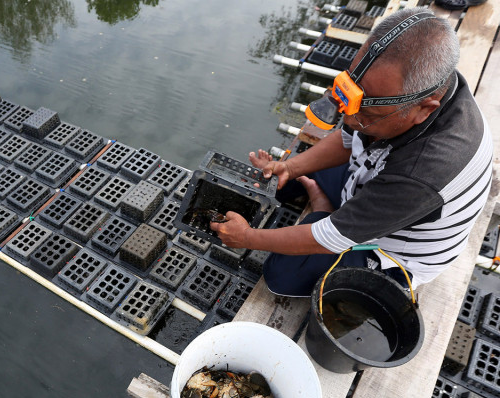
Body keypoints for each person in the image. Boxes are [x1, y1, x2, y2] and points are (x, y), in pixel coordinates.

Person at [210, 7, 493, 297]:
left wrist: (248, 237)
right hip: (382, 180)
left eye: (367, 114)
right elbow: (348, 138)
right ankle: (320, 198)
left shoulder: (425, 170)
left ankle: (322, 208)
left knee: (281, 276)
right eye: (349, 105)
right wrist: (291, 168)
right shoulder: (416, 85)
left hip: (391, 249)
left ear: (424, 110)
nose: (349, 121)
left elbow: (330, 238)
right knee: (286, 179)